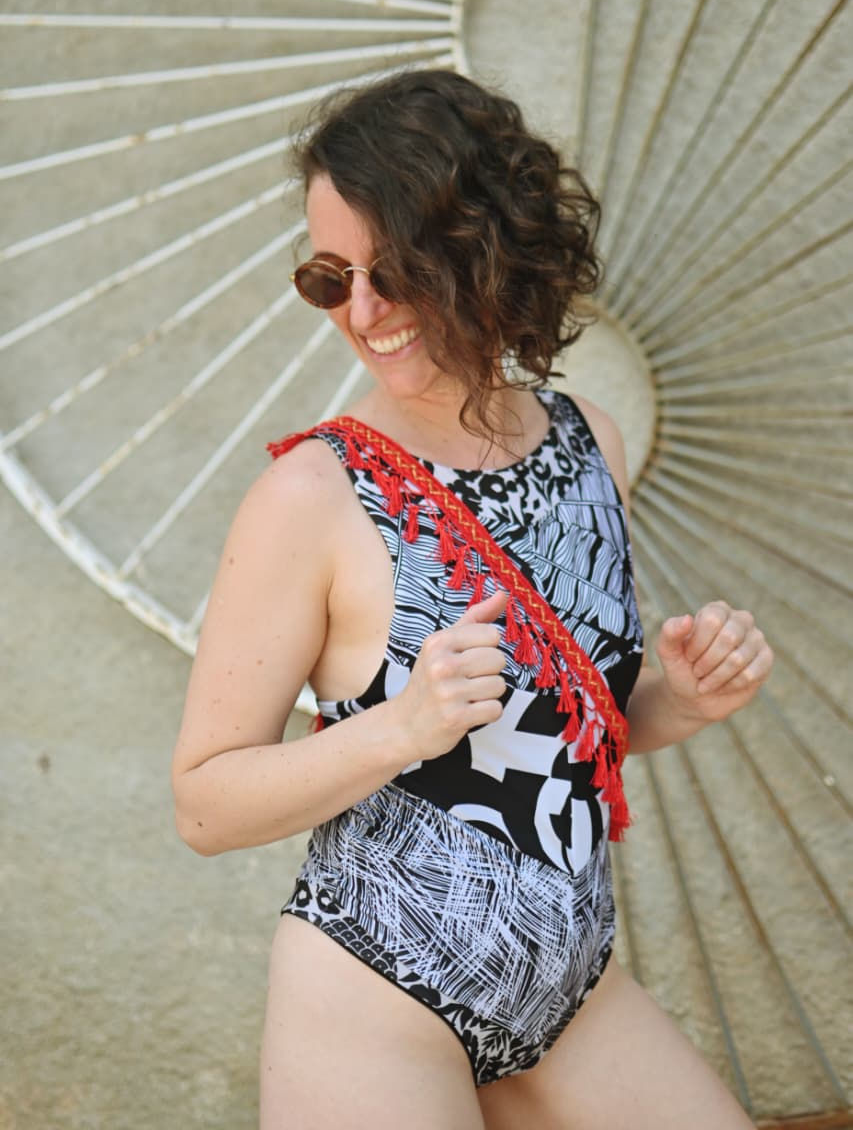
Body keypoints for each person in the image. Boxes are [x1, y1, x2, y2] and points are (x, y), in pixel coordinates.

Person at [171, 69, 773, 1130]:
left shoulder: (588, 441)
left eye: (395, 270)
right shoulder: (311, 494)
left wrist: (678, 699)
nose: (363, 312)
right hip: (376, 1000)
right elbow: (205, 804)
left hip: (571, 991)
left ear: (487, 246)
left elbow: (551, 736)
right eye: (329, 278)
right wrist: (399, 727)